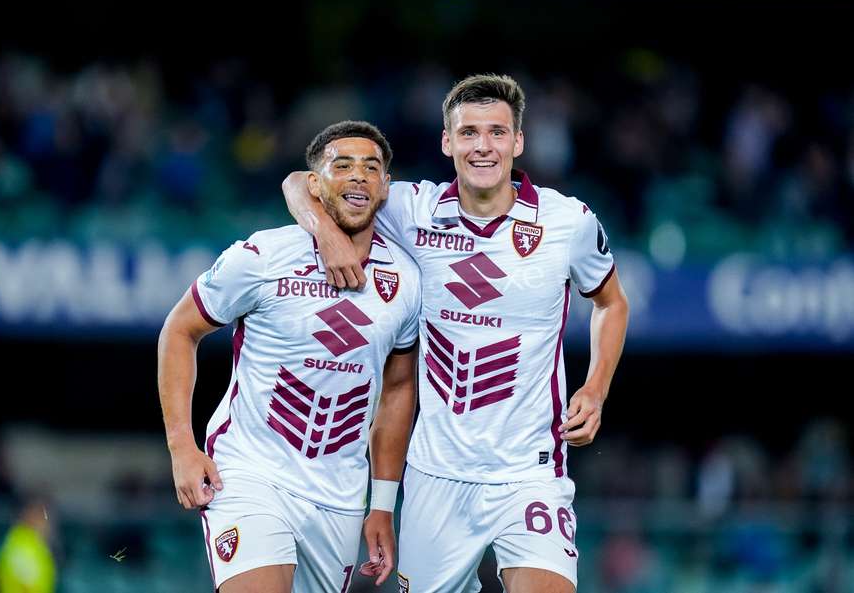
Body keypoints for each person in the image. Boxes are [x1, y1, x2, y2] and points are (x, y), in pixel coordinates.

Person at [282, 75, 630, 593]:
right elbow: (300, 182)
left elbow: (611, 302)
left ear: (518, 142)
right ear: (448, 142)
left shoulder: (568, 222)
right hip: (434, 475)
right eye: (468, 133)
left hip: (528, 473)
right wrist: (327, 234)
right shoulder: (412, 209)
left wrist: (596, 387)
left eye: (496, 132)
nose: (482, 146)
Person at [158, 121, 421, 592]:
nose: (358, 176)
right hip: (251, 472)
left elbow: (399, 387)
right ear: (314, 184)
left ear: (386, 188)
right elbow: (179, 329)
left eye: (371, 167)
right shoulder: (263, 255)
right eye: (342, 165)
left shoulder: (406, 281)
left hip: (339, 496)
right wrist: (182, 445)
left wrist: (382, 502)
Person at [0, 495, 57, 593]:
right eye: (43, 516)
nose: (47, 523)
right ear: (30, 515)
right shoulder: (21, 544)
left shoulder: (34, 544)